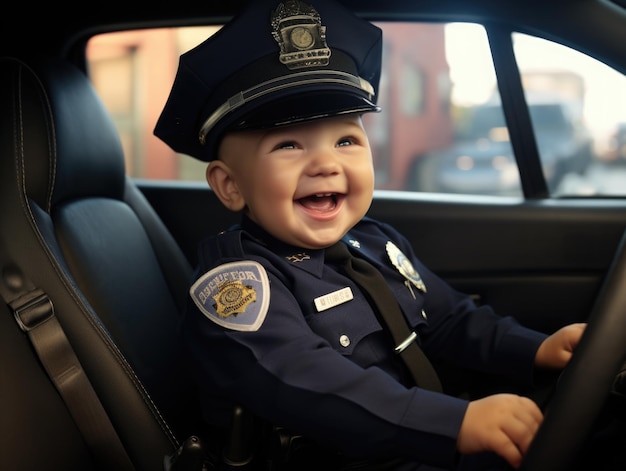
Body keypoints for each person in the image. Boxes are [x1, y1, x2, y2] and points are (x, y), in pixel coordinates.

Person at [154, 0, 587, 469]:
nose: (325, 163)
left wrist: (537, 348)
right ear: (230, 185)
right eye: (288, 145)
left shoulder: (376, 243)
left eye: (346, 140)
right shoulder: (237, 288)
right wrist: (453, 423)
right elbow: (311, 381)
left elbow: (450, 321)